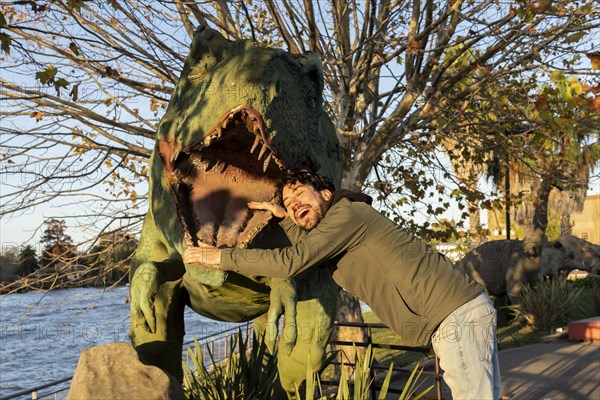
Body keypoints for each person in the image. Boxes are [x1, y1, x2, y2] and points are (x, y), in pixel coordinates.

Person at [184, 170, 501, 399]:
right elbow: (308, 246)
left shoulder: (347, 214)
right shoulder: (340, 224)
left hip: (453, 316)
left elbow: (292, 260)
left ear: (325, 193)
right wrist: (282, 217)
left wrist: (217, 259)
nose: (293, 203)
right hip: (460, 312)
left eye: (299, 193)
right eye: (288, 201)